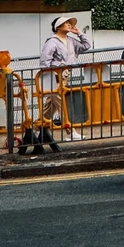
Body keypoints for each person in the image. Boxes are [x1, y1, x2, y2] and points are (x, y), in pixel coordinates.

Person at [33, 14, 92, 153]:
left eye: (70, 23)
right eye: (66, 23)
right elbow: (44, 62)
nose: (70, 25)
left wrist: (79, 33)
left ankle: (34, 129)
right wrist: (54, 71)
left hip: (65, 76)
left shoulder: (70, 41)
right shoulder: (52, 42)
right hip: (55, 77)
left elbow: (86, 46)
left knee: (50, 107)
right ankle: (70, 131)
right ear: (58, 26)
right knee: (62, 103)